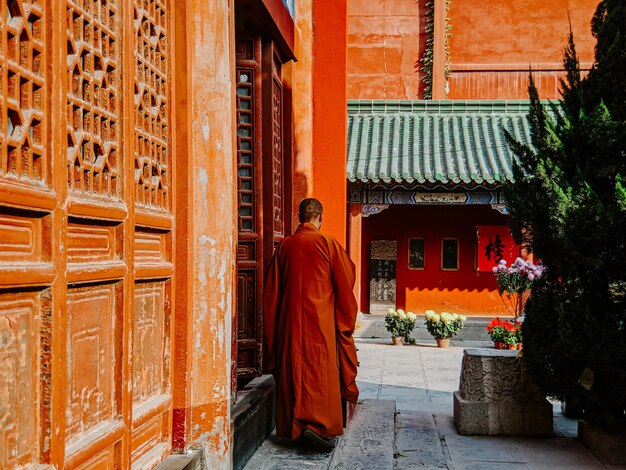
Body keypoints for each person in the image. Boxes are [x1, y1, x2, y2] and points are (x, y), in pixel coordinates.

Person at [263, 198, 359, 452]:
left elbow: (272, 292)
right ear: (320, 217)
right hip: (321, 324)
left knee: (295, 371)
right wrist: (344, 323)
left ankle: (296, 426)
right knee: (319, 373)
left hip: (290, 324)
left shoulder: (284, 247)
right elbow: (345, 281)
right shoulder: (327, 244)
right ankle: (319, 427)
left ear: (299, 217)